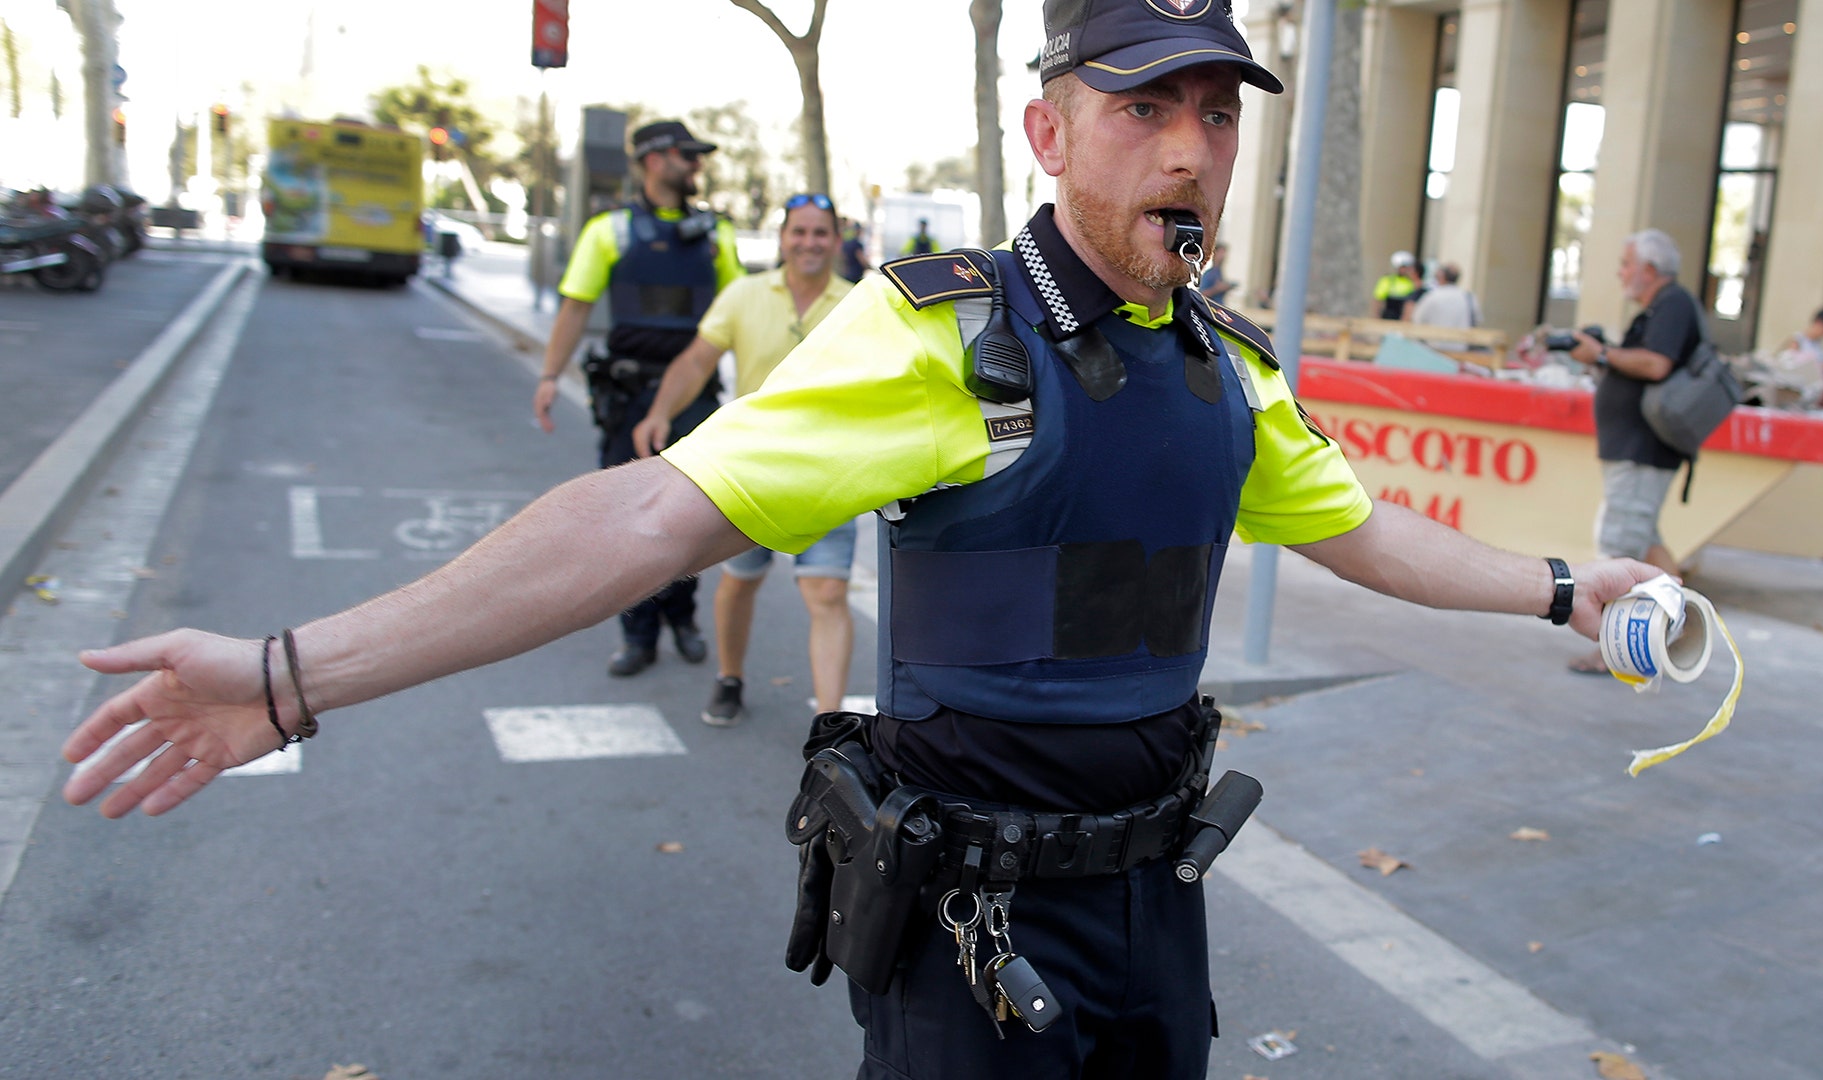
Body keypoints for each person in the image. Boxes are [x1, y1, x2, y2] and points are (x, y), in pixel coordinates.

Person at [62, 2, 1663, 1075]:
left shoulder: (1225, 371)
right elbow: (637, 512)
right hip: (974, 926)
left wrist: (1564, 588)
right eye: (1140, 110)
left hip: (1155, 907)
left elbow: (1368, 535)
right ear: (1048, 136)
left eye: (1213, 115)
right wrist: (287, 676)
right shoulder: (936, 340)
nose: (1187, 149)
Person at [632, 193, 858, 728]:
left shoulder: (860, 303)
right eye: (798, 232)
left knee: (826, 591)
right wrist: (660, 411)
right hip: (752, 469)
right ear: (782, 239)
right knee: (740, 580)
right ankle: (729, 677)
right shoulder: (744, 294)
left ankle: (829, 728)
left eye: (820, 233)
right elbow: (696, 360)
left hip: (829, 471)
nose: (809, 242)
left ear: (836, 240)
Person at [529, 118, 744, 678]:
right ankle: (637, 634)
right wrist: (550, 375)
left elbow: (740, 310)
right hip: (628, 394)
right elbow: (575, 306)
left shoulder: (716, 234)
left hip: (695, 395)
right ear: (652, 160)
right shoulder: (610, 230)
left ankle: (683, 619)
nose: (696, 165)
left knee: (696, 514)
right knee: (627, 519)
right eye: (685, 155)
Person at [1566, 228, 1698, 674]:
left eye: (1625, 264)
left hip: (1644, 449)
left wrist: (1602, 353)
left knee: (1620, 546)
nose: (1621, 273)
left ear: (1649, 269)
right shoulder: (1661, 308)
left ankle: (1615, 649)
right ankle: (1686, 624)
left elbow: (1655, 363)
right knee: (1645, 540)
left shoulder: (1674, 304)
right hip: (1638, 449)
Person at [1409, 261, 1479, 328]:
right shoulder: (1469, 297)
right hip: (1461, 340)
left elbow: (1417, 319)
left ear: (1442, 277)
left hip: (1434, 339)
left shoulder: (1432, 296)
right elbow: (1476, 320)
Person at [1372, 250, 1422, 321]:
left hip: (1404, 318)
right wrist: (1376, 317)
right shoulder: (1387, 280)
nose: (1404, 270)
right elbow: (1378, 299)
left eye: (1406, 267)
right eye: (1402, 267)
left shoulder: (1412, 281)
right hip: (1388, 316)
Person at [838, 218, 870, 282]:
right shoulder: (856, 244)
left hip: (846, 274)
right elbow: (861, 259)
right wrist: (870, 267)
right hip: (855, 275)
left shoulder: (846, 242)